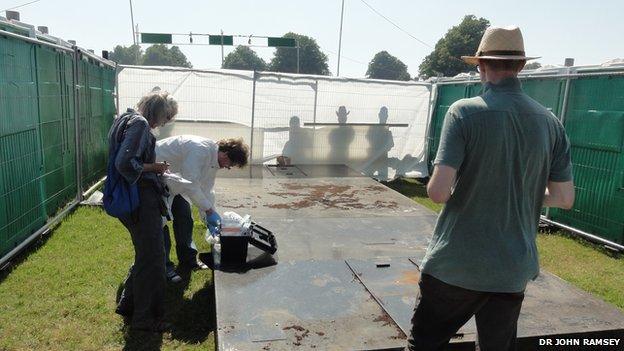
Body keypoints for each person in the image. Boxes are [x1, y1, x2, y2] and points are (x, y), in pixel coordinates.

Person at [408, 26, 575, 350]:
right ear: (521, 67)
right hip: (511, 270)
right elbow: (564, 199)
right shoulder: (550, 122)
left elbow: (438, 193)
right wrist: (520, 192)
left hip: (456, 266)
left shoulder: (463, 113)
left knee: (425, 344)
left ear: (480, 65)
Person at [111, 91, 178, 332]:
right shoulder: (139, 124)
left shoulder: (125, 119)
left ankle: (129, 304)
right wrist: (155, 167)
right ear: (158, 111)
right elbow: (124, 163)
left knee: (146, 255)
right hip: (141, 199)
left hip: (136, 199)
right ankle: (145, 319)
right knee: (154, 260)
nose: (165, 122)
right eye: (166, 116)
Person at [156, 135, 250, 280]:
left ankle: (188, 260)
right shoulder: (200, 149)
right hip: (155, 183)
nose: (228, 167)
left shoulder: (213, 159)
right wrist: (209, 210)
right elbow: (190, 184)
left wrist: (210, 218)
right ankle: (165, 268)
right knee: (160, 226)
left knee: (185, 219)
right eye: (230, 164)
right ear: (225, 154)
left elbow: (206, 189)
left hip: (175, 184)